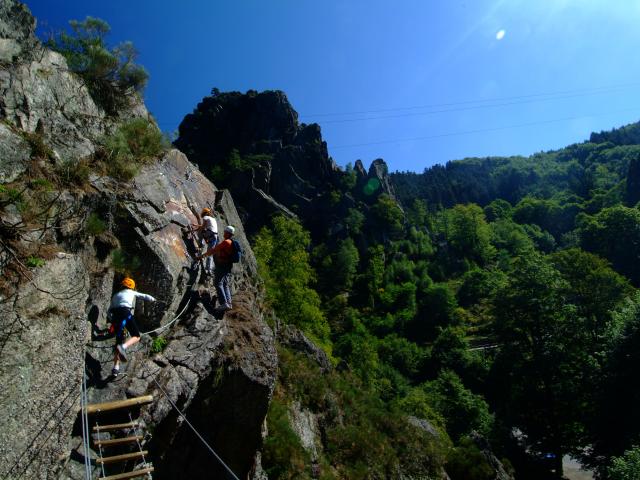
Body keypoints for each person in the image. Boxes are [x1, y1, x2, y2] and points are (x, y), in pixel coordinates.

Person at [108, 277, 156, 376]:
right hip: (125, 312)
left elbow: (109, 311)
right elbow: (144, 296)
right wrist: (153, 299)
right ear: (131, 287)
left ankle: (115, 368)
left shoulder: (116, 295)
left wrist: (113, 320)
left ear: (122, 285)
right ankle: (123, 347)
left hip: (116, 316)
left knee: (118, 341)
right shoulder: (131, 292)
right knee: (136, 336)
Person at [197, 225, 235, 311]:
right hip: (228, 266)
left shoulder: (226, 242)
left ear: (227, 233)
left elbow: (213, 250)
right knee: (225, 284)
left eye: (225, 232)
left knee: (218, 283)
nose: (224, 233)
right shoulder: (232, 243)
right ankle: (228, 303)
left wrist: (202, 256)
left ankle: (224, 303)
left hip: (222, 266)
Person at [191, 207, 218, 275]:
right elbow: (205, 226)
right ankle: (209, 270)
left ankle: (201, 243)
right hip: (215, 236)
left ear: (204, 213)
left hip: (209, 233)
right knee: (210, 253)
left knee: (202, 231)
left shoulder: (206, 217)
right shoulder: (213, 219)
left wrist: (194, 228)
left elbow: (203, 227)